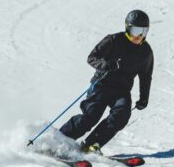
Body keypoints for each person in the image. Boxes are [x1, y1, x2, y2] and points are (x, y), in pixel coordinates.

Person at [59, 10, 154, 152]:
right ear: (128, 28)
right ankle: (59, 139)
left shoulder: (145, 52)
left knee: (121, 115)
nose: (139, 36)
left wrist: (144, 98)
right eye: (136, 31)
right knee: (91, 117)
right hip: (101, 85)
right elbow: (92, 57)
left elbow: (145, 76)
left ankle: (91, 145)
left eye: (143, 31)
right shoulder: (113, 40)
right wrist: (107, 65)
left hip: (121, 90)